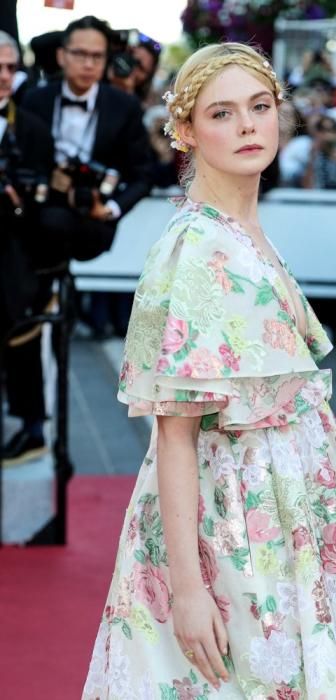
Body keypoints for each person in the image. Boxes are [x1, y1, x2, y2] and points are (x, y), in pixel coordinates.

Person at [82, 43, 336, 699]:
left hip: (290, 512)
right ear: (184, 130)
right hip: (230, 524)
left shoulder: (243, 234)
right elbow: (174, 434)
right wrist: (187, 589)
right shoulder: (196, 249)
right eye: (222, 112)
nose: (246, 126)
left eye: (259, 107)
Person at [2, 15, 152, 465]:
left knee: (41, 240)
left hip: (90, 221)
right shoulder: (34, 100)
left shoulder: (123, 108)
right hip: (37, 217)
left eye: (98, 56)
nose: (88, 64)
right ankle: (36, 291)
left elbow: (144, 173)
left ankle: (35, 289)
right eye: (80, 54)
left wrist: (113, 206)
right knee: (33, 249)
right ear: (62, 56)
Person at [0, 30, 54, 462]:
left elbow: (39, 202)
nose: (4, 77)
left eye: (9, 68)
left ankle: (31, 428)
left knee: (23, 340)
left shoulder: (32, 128)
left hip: (15, 261)